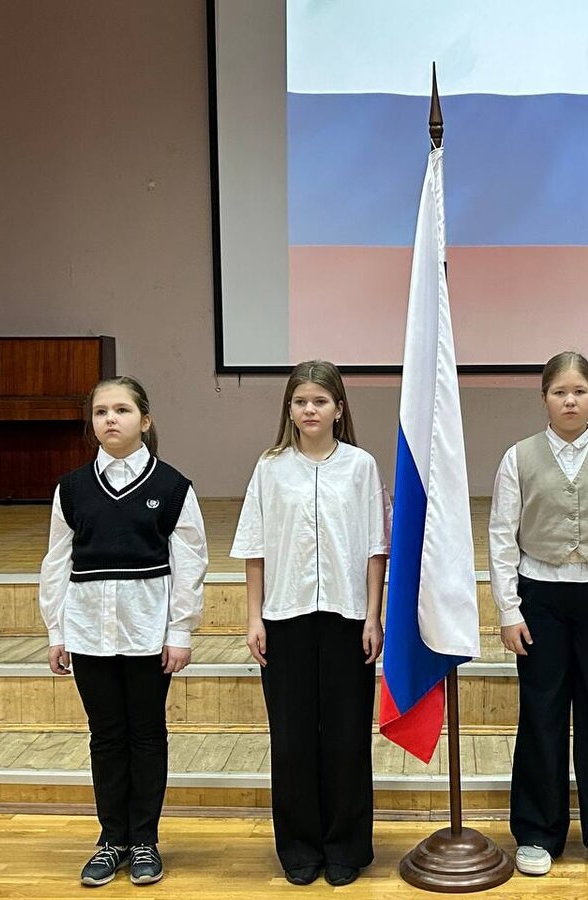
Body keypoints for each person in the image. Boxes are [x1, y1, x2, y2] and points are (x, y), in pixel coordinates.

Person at [488, 350, 588, 877]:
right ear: (544, 398)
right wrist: (509, 609)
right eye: (560, 392)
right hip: (541, 598)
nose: (570, 400)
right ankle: (538, 831)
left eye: (579, 391)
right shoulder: (518, 458)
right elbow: (501, 536)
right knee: (542, 713)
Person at [39, 375, 208, 887]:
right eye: (100, 412)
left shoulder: (172, 487)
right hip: (88, 632)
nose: (110, 419)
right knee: (106, 736)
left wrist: (180, 631)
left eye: (122, 410)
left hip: (147, 634)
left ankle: (144, 841)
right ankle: (111, 840)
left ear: (145, 420)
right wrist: (56, 630)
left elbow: (190, 563)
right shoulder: (71, 489)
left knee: (147, 734)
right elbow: (56, 561)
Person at [231, 360, 390, 888]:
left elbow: (375, 547)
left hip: (348, 618)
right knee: (292, 737)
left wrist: (373, 616)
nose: (309, 410)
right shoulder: (270, 467)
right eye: (300, 401)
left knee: (346, 736)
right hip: (285, 618)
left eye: (320, 401)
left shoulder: (361, 467)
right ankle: (299, 845)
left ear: (339, 408)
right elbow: (254, 547)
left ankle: (346, 845)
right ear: (289, 409)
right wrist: (254, 617)